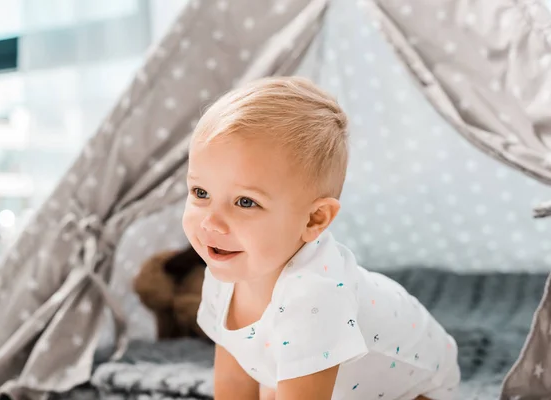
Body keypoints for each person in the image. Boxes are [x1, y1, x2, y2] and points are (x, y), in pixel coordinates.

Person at [181, 76, 460, 400]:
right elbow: (234, 375)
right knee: (276, 379)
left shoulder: (315, 296)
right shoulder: (226, 267)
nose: (211, 224)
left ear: (315, 219)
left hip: (415, 391)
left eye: (245, 202)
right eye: (201, 192)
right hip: (318, 367)